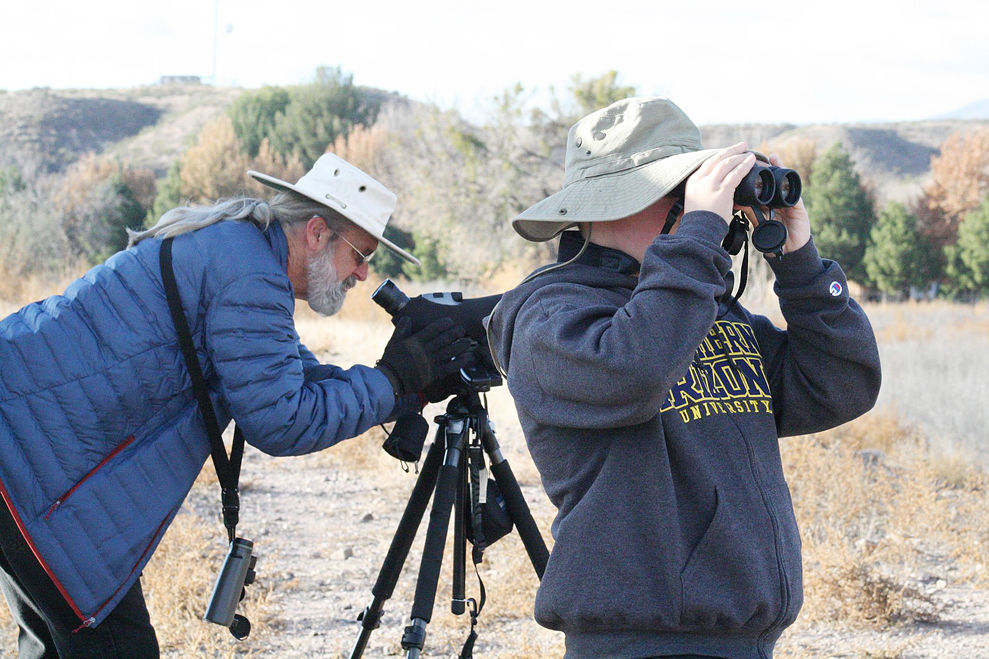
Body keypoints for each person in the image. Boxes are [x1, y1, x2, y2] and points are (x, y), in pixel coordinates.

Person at [0, 153, 472, 657]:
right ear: (317, 232)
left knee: (52, 644)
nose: (361, 274)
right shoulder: (248, 274)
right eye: (360, 254)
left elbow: (293, 378)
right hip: (35, 468)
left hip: (27, 452)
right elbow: (283, 419)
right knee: (119, 646)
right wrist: (394, 379)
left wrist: (400, 388)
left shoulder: (241, 251)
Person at [487, 97, 882, 658]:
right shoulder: (549, 315)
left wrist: (799, 258)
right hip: (639, 643)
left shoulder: (704, 309)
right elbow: (635, 370)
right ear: (614, 201)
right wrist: (696, 236)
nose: (704, 205)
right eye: (681, 189)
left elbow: (841, 386)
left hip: (740, 638)